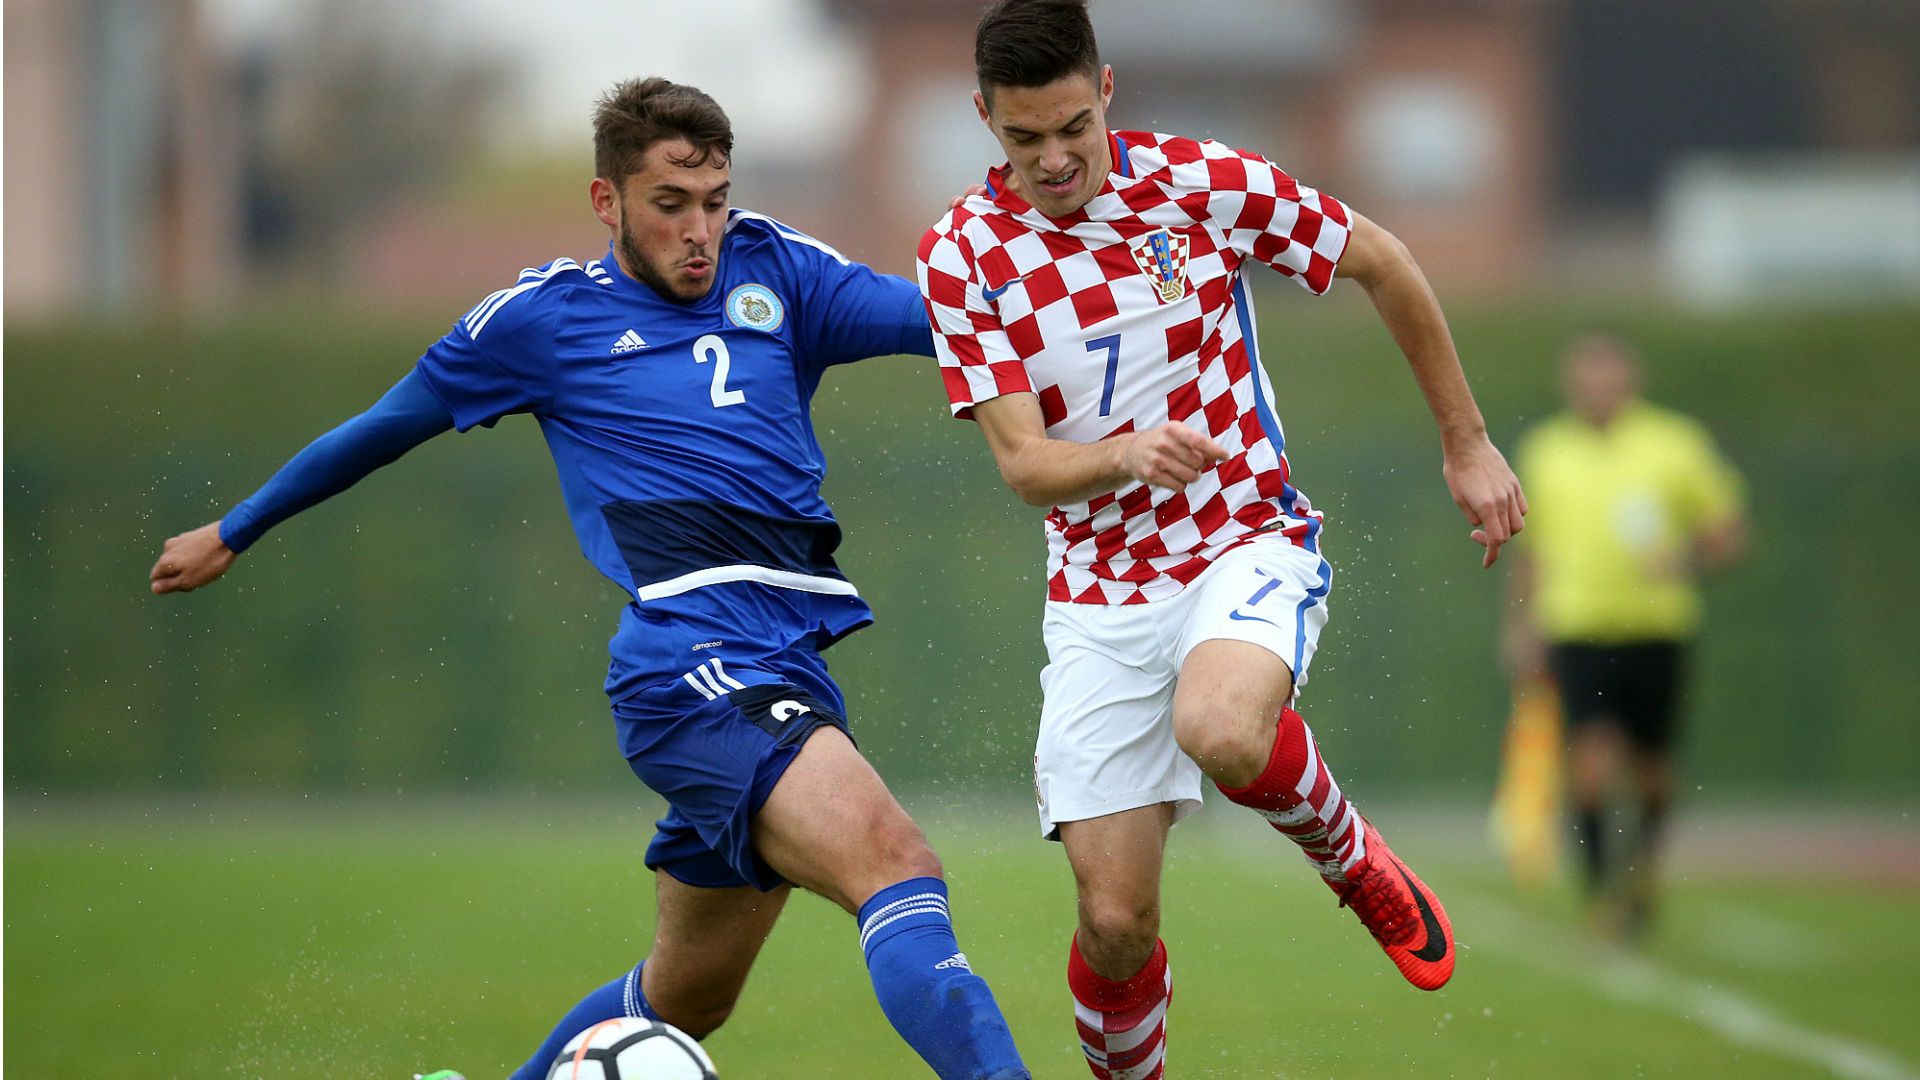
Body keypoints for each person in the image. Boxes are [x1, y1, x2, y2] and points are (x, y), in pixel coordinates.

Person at [150, 77, 1030, 1080]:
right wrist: (237, 526)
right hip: (691, 665)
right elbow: (382, 430)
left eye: (715, 201)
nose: (700, 230)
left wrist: (1085, 302)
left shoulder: (776, 270)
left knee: (687, 996)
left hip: (784, 659)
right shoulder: (543, 320)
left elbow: (949, 322)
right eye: (670, 205)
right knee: (898, 862)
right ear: (608, 202)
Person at [916, 2, 1527, 1073]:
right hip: (1099, 595)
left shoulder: (1203, 185)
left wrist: (1467, 443)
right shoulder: (962, 257)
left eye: (1071, 127)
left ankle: (1348, 855)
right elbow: (1023, 466)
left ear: (1106, 91)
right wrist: (1122, 453)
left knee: (1224, 727)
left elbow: (1382, 261)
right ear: (984, 119)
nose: (1054, 159)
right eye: (1023, 138)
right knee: (1114, 923)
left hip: (1242, 535)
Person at [1504, 333, 1745, 937]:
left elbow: (1727, 532)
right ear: (1571, 384)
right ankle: (1600, 891)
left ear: (1631, 381)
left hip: (1659, 627)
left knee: (1653, 771)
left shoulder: (1675, 443)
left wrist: (1684, 561)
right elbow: (1532, 550)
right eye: (1588, 379)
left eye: (1609, 379)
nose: (1599, 390)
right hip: (1578, 626)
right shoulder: (1546, 449)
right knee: (1588, 762)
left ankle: (1644, 872)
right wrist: (1522, 623)